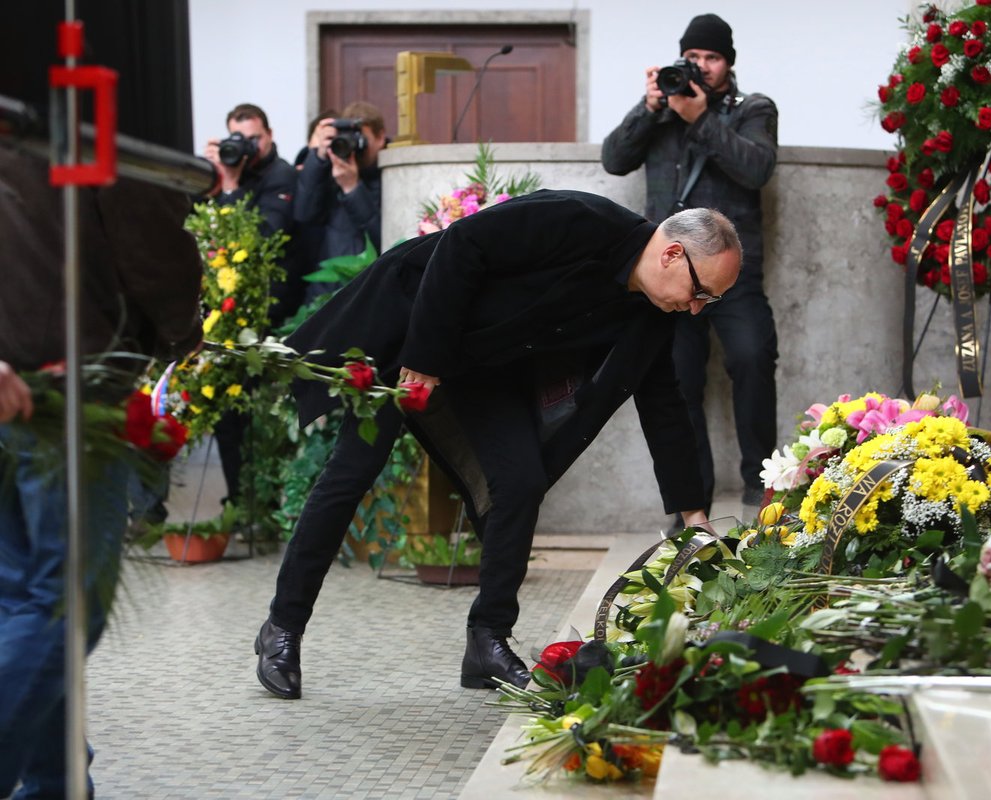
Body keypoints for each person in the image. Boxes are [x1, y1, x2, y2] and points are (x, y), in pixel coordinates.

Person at [254, 189, 741, 699]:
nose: (694, 309)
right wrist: (424, 357)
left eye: (707, 302)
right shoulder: (581, 220)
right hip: (417, 327)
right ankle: (282, 628)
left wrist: (691, 513)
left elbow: (664, 402)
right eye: (700, 292)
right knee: (352, 472)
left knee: (520, 481)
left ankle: (487, 640)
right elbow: (463, 243)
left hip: (484, 363)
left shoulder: (649, 313)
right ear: (671, 254)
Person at [0, 148, 203, 798]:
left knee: (23, 604)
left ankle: (57, 788)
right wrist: (180, 329)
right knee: (65, 602)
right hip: (62, 379)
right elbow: (146, 237)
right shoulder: (83, 106)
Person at [601, 13, 780, 525]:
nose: (700, 66)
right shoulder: (659, 112)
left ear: (728, 64)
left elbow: (757, 167)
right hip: (672, 278)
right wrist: (651, 105)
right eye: (693, 57)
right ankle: (690, 504)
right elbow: (613, 158)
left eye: (711, 57)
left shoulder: (752, 109)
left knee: (751, 359)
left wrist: (701, 119)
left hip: (732, 276)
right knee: (678, 382)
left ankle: (760, 485)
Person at [202, 103, 303, 509]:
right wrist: (212, 181)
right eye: (237, 138)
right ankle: (241, 500)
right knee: (229, 412)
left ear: (270, 134)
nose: (246, 147)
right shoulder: (225, 173)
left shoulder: (280, 175)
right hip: (227, 311)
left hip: (270, 312)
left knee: (263, 413)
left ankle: (268, 503)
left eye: (253, 138)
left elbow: (259, 236)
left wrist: (230, 186)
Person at [294, 100, 388, 303]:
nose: (354, 148)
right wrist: (317, 159)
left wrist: (352, 189)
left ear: (380, 137)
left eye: (360, 139)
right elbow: (304, 214)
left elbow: (385, 238)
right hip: (326, 289)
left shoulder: (392, 175)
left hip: (369, 289)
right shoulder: (328, 167)